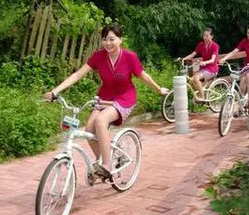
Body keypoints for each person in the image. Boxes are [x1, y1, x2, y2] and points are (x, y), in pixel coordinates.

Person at [44, 25, 168, 179]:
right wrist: (55, 91)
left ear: (120, 40)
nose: (108, 43)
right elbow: (77, 75)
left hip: (124, 98)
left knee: (101, 121)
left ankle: (107, 165)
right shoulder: (98, 56)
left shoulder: (130, 57)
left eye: (112, 39)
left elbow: (143, 76)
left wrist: (158, 89)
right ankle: (101, 161)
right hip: (105, 97)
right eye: (104, 39)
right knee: (89, 128)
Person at [182, 28, 220, 101]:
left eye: (207, 36)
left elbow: (213, 60)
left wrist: (204, 62)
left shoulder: (215, 46)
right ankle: (201, 92)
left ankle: (202, 97)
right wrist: (183, 59)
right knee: (191, 81)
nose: (205, 37)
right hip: (203, 67)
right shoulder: (201, 44)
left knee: (195, 78)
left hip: (212, 69)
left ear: (211, 36)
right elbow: (193, 54)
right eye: (204, 35)